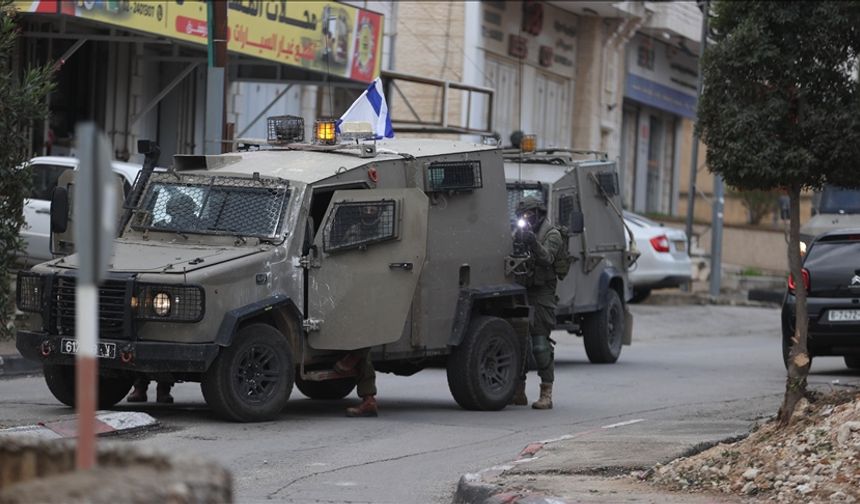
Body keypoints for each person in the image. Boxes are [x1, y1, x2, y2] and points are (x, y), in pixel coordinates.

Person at [511, 196, 564, 410]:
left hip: (542, 293)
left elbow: (547, 258)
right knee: (519, 343)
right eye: (522, 216)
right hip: (521, 289)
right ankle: (518, 391)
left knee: (540, 345)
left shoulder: (552, 234)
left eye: (529, 215)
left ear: (539, 213)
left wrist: (532, 242)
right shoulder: (519, 233)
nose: (525, 219)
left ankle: (546, 392)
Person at [334, 204, 385, 417]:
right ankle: (369, 399)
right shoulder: (354, 229)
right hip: (355, 286)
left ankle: (353, 359)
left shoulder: (386, 229)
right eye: (367, 207)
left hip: (378, 288)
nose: (370, 210)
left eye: (374, 207)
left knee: (364, 335)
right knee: (360, 336)